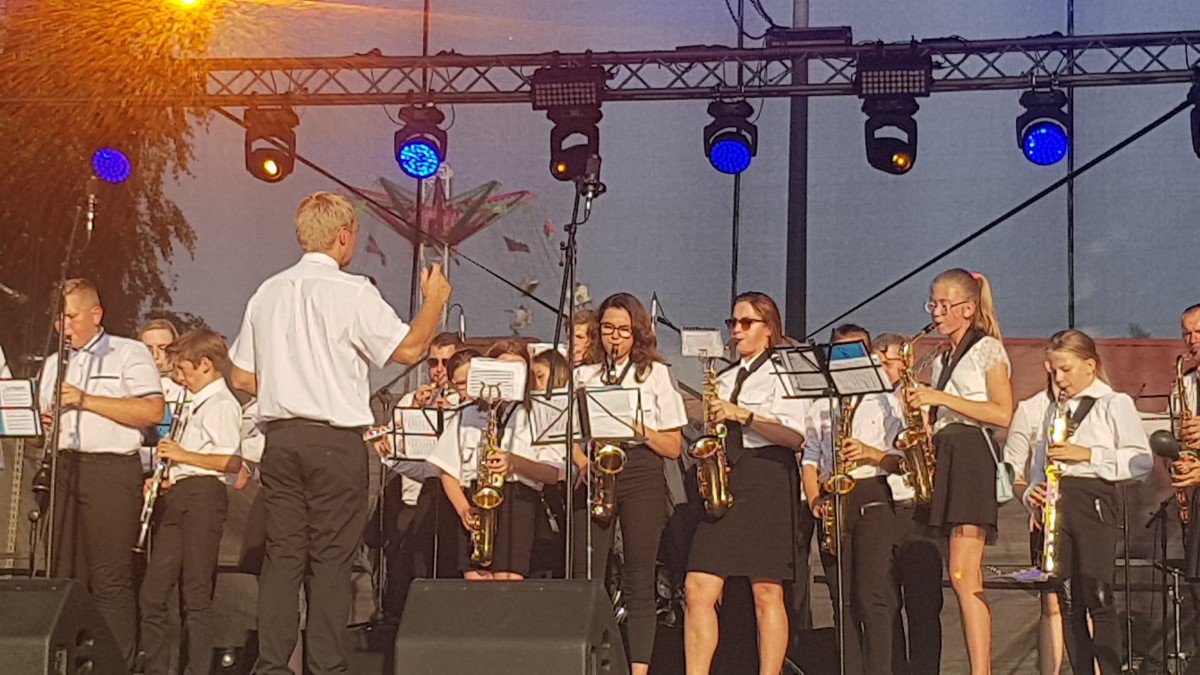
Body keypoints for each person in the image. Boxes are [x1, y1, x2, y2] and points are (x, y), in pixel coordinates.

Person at [229, 191, 450, 674]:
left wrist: (290, 382)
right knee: (331, 560)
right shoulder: (353, 292)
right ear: (344, 236)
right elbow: (409, 349)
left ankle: (271, 667)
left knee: (283, 557)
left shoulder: (267, 292)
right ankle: (325, 667)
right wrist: (434, 300)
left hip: (282, 440)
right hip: (333, 442)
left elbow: (241, 376)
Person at [37, 278, 165, 667]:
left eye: (72, 316)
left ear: (96, 314)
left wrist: (86, 400)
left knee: (110, 579)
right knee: (62, 576)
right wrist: (43, 425)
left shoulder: (127, 353)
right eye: (59, 319)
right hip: (64, 469)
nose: (64, 326)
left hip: (110, 470)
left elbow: (152, 411)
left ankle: (115, 665)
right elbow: (43, 430)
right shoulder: (53, 364)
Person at [684, 292, 807, 675]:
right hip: (728, 478)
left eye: (746, 323)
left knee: (766, 591)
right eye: (732, 323)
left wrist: (743, 415)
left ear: (768, 329)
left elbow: (795, 437)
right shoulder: (723, 378)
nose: (736, 330)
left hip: (768, 477)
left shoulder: (786, 373)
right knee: (697, 587)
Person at [1023, 330, 1152, 674]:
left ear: (1090, 366)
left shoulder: (1114, 403)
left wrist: (1088, 455)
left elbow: (1141, 462)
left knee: (1097, 593)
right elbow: (1039, 464)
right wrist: (1032, 492)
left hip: (1094, 499)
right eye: (1053, 371)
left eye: (1065, 369)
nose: (1058, 378)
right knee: (1067, 598)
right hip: (1058, 503)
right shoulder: (1054, 410)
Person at [905, 269, 1013, 675]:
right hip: (944, 452)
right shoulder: (940, 357)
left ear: (968, 308)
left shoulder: (988, 349)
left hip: (970, 455)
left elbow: (1002, 412)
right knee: (955, 575)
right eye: (932, 304)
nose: (935, 312)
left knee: (964, 573)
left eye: (944, 305)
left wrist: (939, 397)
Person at [574, 292, 687, 675]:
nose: (615, 337)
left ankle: (639, 669)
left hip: (641, 469)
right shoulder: (585, 374)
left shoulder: (654, 374)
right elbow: (567, 433)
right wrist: (583, 463)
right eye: (608, 328)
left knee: (639, 576)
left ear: (637, 332)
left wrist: (636, 425)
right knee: (587, 576)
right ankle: (590, 663)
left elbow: (672, 446)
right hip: (597, 468)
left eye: (623, 330)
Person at [138, 329, 243, 675]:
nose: (180, 379)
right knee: (153, 592)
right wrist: (168, 474)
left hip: (204, 496)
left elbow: (231, 461)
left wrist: (182, 455)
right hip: (182, 493)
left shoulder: (222, 404)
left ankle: (197, 669)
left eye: (184, 370)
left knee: (196, 593)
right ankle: (155, 668)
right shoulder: (193, 403)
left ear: (205, 364)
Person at [802, 323, 904, 675]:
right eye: (840, 354)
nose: (847, 362)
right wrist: (815, 500)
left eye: (855, 353)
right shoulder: (821, 403)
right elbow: (809, 459)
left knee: (871, 595)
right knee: (840, 600)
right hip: (832, 498)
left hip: (871, 493)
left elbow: (900, 462)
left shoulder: (884, 400)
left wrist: (869, 452)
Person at [425, 349, 563, 580]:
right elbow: (447, 469)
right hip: (475, 498)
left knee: (508, 583)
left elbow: (555, 473)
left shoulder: (538, 413)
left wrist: (515, 462)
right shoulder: (468, 413)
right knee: (475, 582)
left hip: (519, 501)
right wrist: (463, 509)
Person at [874, 331, 945, 675]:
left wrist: (921, 421)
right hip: (882, 505)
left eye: (888, 363)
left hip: (918, 507)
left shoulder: (924, 396)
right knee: (885, 606)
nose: (884, 370)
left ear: (906, 363)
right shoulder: (869, 402)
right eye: (878, 363)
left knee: (923, 607)